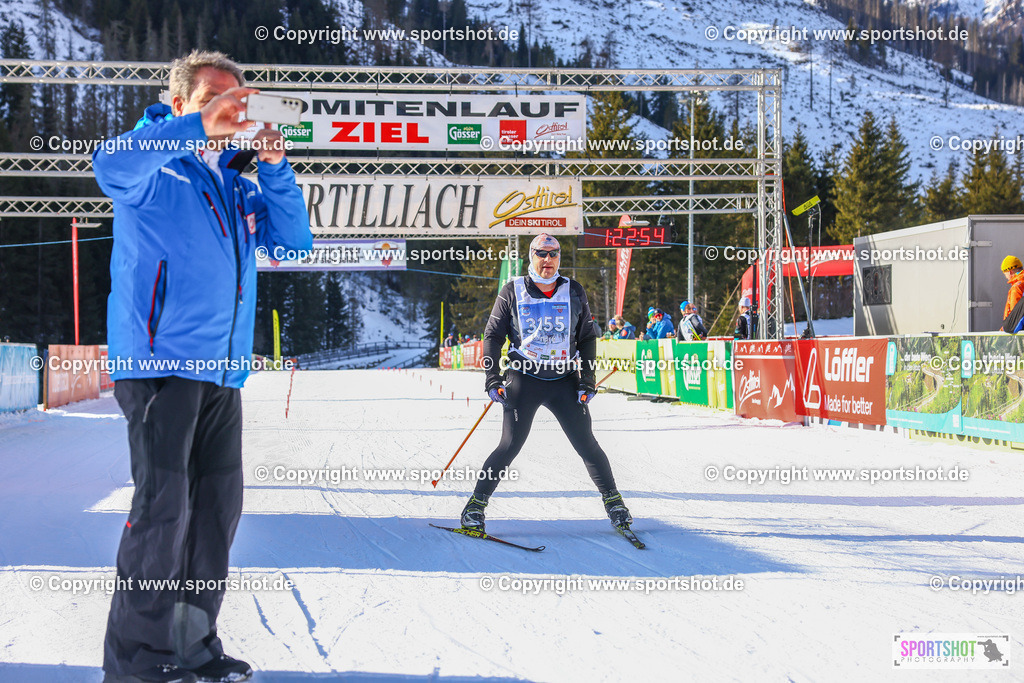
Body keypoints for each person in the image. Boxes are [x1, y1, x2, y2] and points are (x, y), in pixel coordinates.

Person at [93, 50, 312, 683]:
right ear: (183, 102)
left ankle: (191, 645)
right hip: (160, 364)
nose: (230, 109)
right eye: (216, 98)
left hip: (222, 372)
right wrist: (196, 128)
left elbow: (293, 244)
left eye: (238, 100)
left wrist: (275, 170)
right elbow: (108, 166)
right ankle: (139, 661)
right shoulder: (154, 163)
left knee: (216, 511)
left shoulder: (236, 181)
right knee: (164, 511)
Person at [460, 233, 634, 534]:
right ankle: (475, 505)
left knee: (586, 443)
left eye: (554, 254)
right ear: (531, 256)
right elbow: (492, 336)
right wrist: (492, 377)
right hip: (524, 379)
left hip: (564, 380)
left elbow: (587, 336)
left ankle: (614, 502)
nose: (548, 260)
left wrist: (587, 379)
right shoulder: (512, 290)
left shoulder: (574, 290)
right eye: (542, 253)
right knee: (510, 444)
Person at [1001, 255, 1024, 333]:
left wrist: (1003, 330)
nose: (1006, 277)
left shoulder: (1016, 287)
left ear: (1010, 272)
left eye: (1005, 274)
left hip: (1018, 332)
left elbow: (1015, 313)